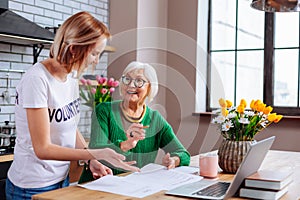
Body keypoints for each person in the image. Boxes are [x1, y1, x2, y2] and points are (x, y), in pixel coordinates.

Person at [6, 11, 139, 200]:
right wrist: (96, 152)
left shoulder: (70, 77)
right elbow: (42, 148)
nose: (96, 60)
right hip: (31, 186)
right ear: (74, 48)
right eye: (94, 53)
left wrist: (90, 159)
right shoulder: (37, 80)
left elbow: (70, 126)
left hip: (61, 180)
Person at [79, 61, 190, 183]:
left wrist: (174, 160)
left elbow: (183, 153)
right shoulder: (104, 110)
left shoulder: (155, 119)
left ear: (150, 88)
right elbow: (95, 150)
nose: (131, 85)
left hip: (136, 186)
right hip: (99, 183)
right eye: (127, 79)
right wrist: (125, 145)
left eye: (139, 81)